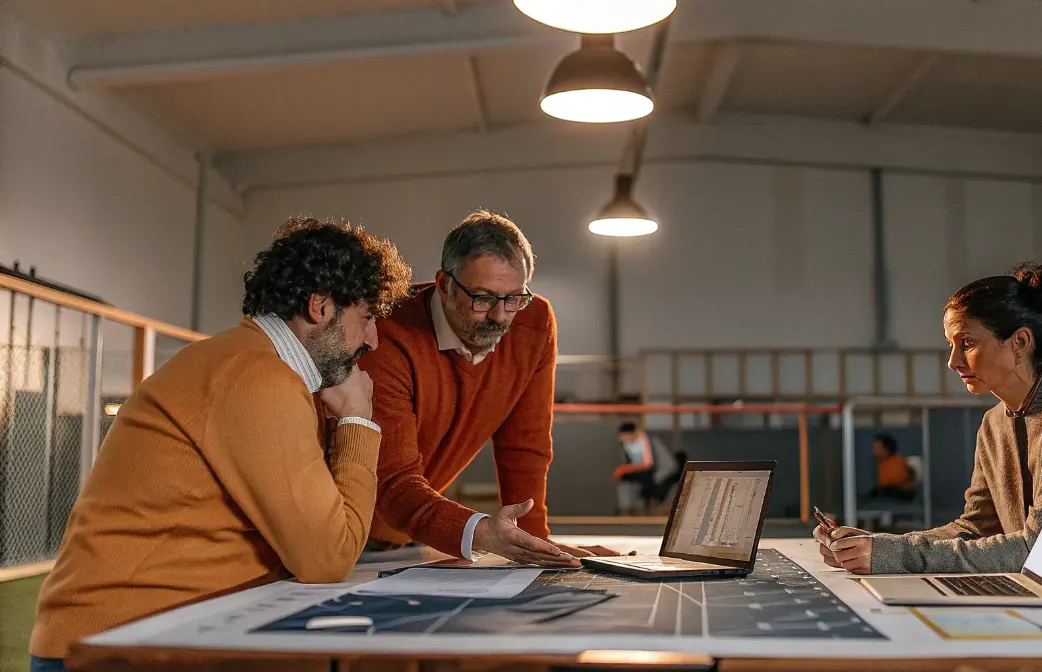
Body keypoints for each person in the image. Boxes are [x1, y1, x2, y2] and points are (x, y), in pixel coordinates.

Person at [28, 218, 411, 671]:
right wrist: (356, 420)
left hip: (140, 635)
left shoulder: (252, 364)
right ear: (320, 306)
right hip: (118, 647)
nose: (372, 339)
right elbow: (328, 558)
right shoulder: (257, 377)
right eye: (366, 318)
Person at [814, 263, 1042, 599]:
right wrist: (875, 545)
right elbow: (976, 526)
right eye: (951, 345)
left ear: (1020, 342)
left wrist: (894, 555)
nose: (953, 361)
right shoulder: (995, 423)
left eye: (968, 343)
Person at [360, 210, 614, 568]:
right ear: (444, 285)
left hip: (412, 537)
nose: (499, 316)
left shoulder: (534, 321)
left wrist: (534, 542)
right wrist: (481, 534)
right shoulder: (385, 334)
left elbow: (525, 444)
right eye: (482, 298)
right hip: (344, 531)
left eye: (513, 298)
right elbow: (391, 480)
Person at [612, 422, 682, 515]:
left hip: (658, 475)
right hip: (641, 474)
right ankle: (628, 509)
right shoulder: (626, 446)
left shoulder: (650, 442)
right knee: (626, 483)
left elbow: (653, 463)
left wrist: (626, 468)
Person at [868, 433, 915, 502]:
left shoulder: (897, 463)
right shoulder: (881, 464)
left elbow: (892, 482)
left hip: (901, 496)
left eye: (877, 448)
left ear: (886, 449)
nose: (875, 452)